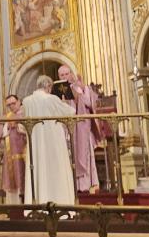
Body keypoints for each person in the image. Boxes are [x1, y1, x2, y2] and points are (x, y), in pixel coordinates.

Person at [21, 76, 76, 205]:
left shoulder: (27, 101)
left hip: (35, 141)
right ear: (48, 87)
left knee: (37, 168)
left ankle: (37, 203)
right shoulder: (52, 99)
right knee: (55, 170)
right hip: (53, 141)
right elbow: (70, 112)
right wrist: (64, 102)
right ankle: (59, 202)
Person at [57, 64, 99, 192]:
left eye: (67, 73)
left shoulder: (81, 86)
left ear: (71, 73)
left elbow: (89, 103)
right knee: (70, 156)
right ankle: (72, 186)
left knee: (85, 155)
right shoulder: (59, 90)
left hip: (82, 127)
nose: (65, 76)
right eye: (62, 75)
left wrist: (83, 89)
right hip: (68, 128)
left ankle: (87, 185)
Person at [0, 95, 28, 203]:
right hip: (10, 153)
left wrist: (18, 125)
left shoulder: (26, 113)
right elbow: (2, 131)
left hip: (24, 151)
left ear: (19, 101)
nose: (11, 106)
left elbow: (29, 129)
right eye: (9, 105)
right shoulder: (8, 116)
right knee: (13, 176)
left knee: (24, 174)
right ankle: (15, 204)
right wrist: (7, 127)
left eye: (13, 103)